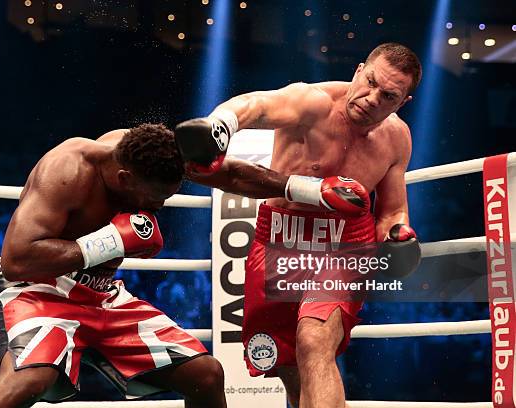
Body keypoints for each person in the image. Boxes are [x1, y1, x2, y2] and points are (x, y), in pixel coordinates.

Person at [176, 43, 423, 408]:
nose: (372, 98)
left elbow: (392, 210)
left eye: (388, 96)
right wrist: (221, 125)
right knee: (289, 365)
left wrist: (398, 233)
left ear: (402, 102)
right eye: (370, 82)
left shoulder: (396, 138)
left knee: (314, 340)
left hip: (343, 248)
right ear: (358, 70)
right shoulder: (314, 103)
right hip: (278, 239)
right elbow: (258, 105)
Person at [0, 124, 229, 408]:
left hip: (102, 295)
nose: (158, 205)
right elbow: (16, 260)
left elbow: (230, 172)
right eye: (153, 197)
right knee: (30, 380)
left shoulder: (151, 155)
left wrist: (281, 185)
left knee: (206, 375)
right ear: (125, 178)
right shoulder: (67, 171)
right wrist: (110, 242)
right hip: (39, 288)